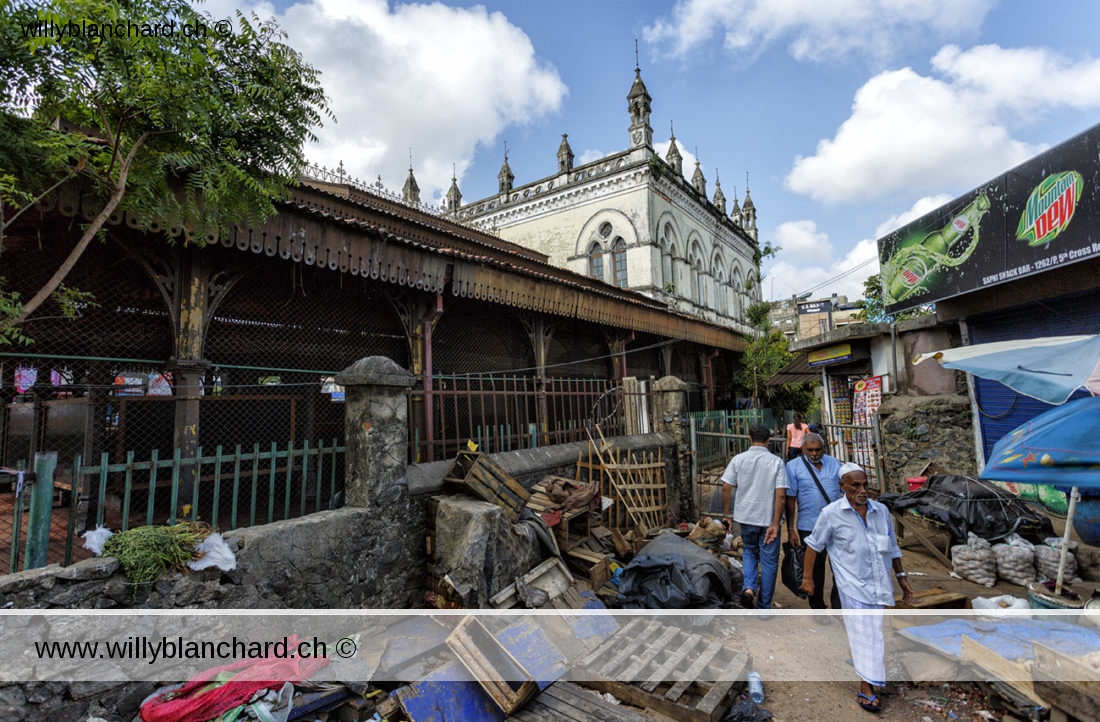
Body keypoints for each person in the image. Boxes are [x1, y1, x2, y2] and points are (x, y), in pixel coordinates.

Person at [802, 463, 914, 714]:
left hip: (879, 582)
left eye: (865, 485)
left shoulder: (881, 511)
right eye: (855, 486)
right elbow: (813, 546)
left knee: (870, 629)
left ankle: (860, 659)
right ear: (842, 487)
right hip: (852, 584)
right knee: (869, 633)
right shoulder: (831, 514)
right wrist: (808, 579)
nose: (862, 490)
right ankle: (867, 687)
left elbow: (893, 548)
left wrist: (902, 579)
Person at [721, 425, 788, 611]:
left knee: (749, 551)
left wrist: (727, 515)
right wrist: (776, 522)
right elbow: (781, 495)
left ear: (749, 438)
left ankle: (749, 588)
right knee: (769, 561)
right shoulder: (776, 462)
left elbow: (726, 487)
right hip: (768, 520)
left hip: (746, 517)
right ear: (769, 440)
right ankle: (763, 607)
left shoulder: (738, 459)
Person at [784, 432, 842, 621]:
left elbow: (846, 490)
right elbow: (790, 500)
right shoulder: (793, 467)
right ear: (803, 449)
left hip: (837, 525)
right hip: (809, 525)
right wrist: (791, 529)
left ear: (823, 449)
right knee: (815, 568)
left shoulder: (835, 464)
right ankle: (818, 608)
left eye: (818, 450)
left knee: (840, 567)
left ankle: (838, 606)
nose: (815, 453)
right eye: (811, 450)